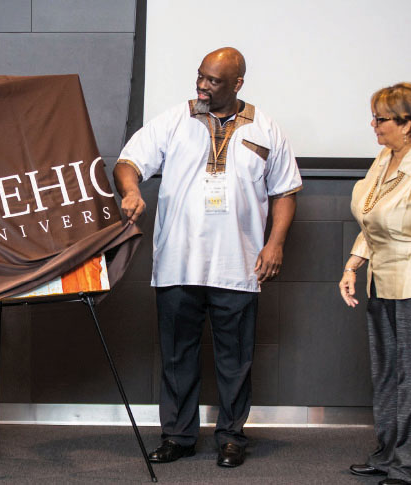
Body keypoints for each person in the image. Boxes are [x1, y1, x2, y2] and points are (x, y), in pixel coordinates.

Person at [114, 47, 301, 468]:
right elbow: (129, 161)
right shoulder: (175, 119)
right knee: (178, 355)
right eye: (200, 76)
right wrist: (129, 190)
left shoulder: (266, 128)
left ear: (237, 84)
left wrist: (275, 244)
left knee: (235, 359)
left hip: (238, 264)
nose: (202, 85)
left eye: (213, 80)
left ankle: (232, 437)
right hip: (178, 262)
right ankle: (178, 437)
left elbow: (286, 191)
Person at [340, 83, 411, 485]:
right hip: (382, 283)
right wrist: (353, 264)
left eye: (381, 119)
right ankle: (388, 455)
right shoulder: (386, 157)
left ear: (407, 122)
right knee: (386, 375)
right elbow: (372, 215)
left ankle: (410, 468)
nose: (374, 125)